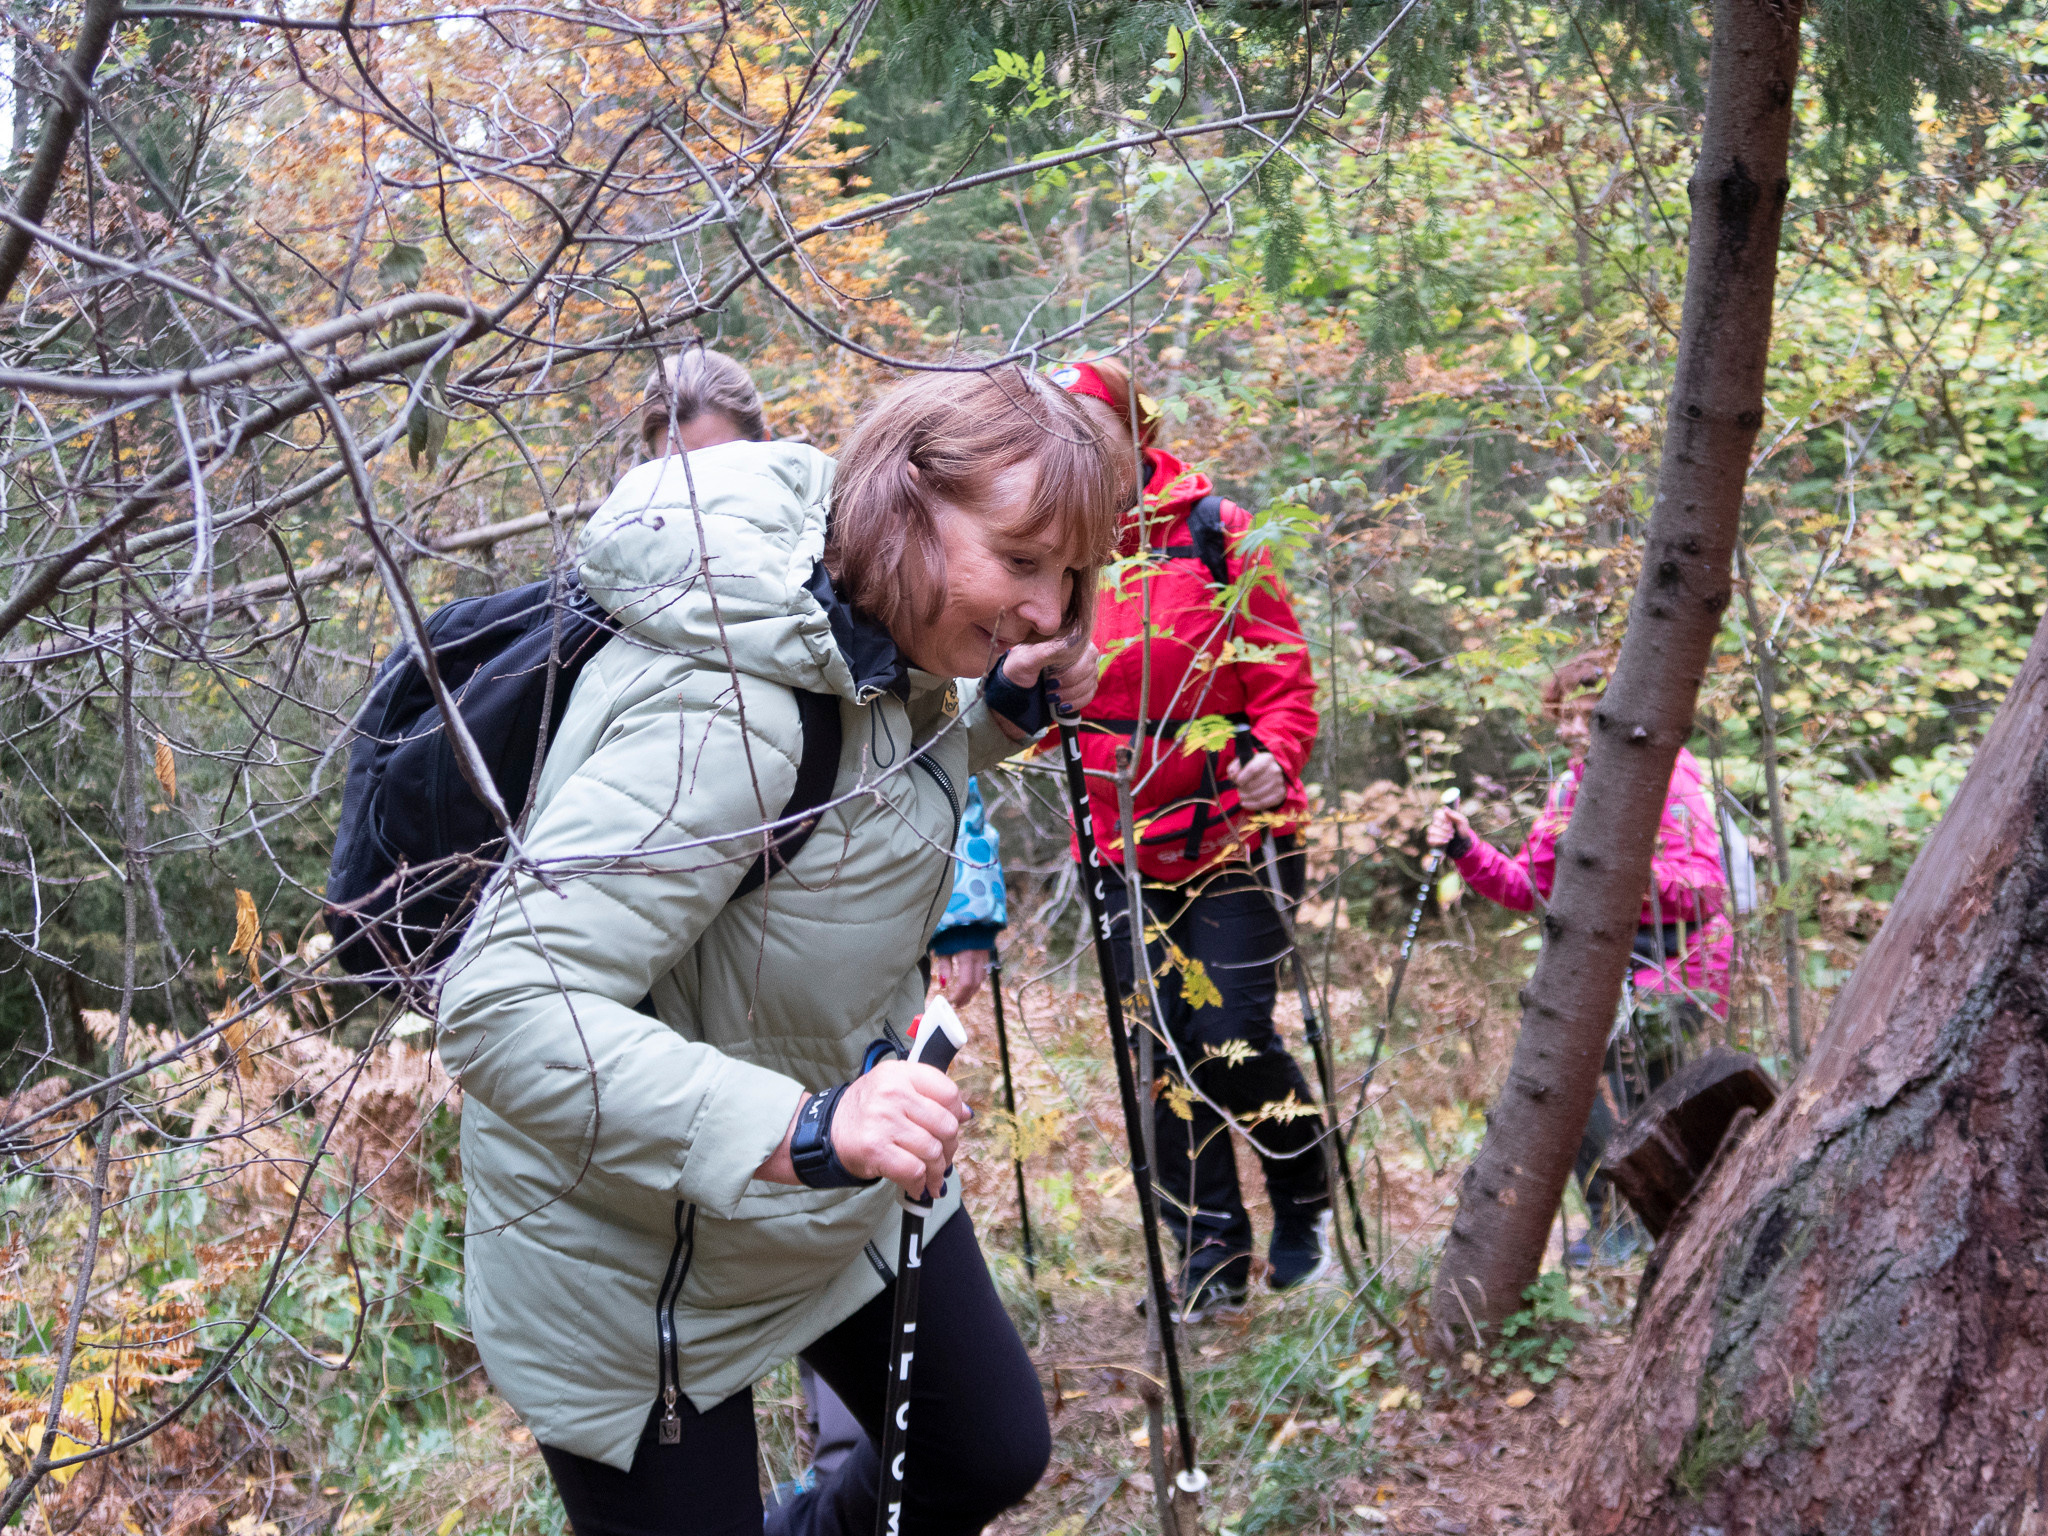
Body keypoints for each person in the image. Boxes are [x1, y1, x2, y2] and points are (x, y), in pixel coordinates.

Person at [437, 361, 1122, 1536]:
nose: (1050, 615)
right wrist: (801, 1131)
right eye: (1019, 564)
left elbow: (853, 782)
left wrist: (998, 714)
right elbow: (502, 1005)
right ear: (906, 504)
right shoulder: (728, 713)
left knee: (983, 1450)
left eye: (1065, 577)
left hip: (820, 1200)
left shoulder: (864, 627)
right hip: (630, 1264)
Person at [1051, 357, 1327, 1318]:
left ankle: (1302, 1192)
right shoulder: (1051, 558)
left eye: (1096, 434)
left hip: (1233, 837)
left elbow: (1284, 680)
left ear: (1137, 433)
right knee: (1161, 1048)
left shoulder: (1219, 538)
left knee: (1226, 1033)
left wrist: (1273, 759)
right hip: (1119, 848)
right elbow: (1032, 712)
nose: (1081, 455)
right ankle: (1210, 1249)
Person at [1425, 648, 1732, 1260]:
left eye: (1580, 717)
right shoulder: (1571, 787)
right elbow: (1530, 888)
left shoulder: (1671, 775)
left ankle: (1665, 1222)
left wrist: (1617, 865)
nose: (1565, 730)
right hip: (1602, 971)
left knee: (1627, 1083)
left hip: (1680, 968)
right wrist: (1466, 848)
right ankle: (1619, 1219)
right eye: (1561, 718)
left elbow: (1706, 891)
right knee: (1565, 1076)